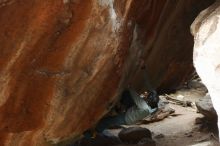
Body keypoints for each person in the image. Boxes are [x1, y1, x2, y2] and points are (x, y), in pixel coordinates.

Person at [83, 88, 159, 138]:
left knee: (106, 122)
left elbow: (133, 94)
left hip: (126, 118)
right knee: (127, 96)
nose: (145, 94)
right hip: (132, 114)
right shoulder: (151, 108)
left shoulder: (144, 106)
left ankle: (93, 134)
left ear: (149, 99)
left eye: (147, 95)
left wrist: (129, 86)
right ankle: (120, 109)